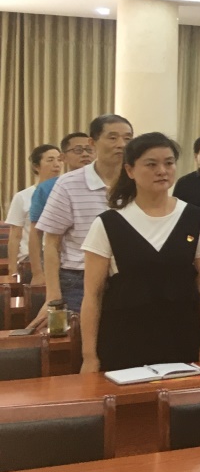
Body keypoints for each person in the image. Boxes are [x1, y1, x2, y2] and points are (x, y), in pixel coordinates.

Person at [79, 133, 200, 373]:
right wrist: (89, 356)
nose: (162, 171)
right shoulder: (108, 223)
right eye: (151, 164)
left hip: (183, 337)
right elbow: (93, 294)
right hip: (123, 340)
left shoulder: (196, 217)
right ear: (130, 170)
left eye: (169, 163)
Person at [31, 114, 133, 326]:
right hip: (78, 280)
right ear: (93, 142)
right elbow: (51, 243)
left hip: (127, 278)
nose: (121, 144)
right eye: (113, 137)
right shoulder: (68, 184)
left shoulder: (136, 181)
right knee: (80, 339)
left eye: (127, 138)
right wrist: (53, 295)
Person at [27, 131, 95, 283]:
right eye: (78, 150)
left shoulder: (111, 184)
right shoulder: (48, 188)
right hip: (70, 270)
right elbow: (35, 233)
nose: (85, 154)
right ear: (63, 157)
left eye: (89, 150)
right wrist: (37, 272)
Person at [5, 144, 59, 283]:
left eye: (59, 159)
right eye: (50, 160)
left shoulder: (65, 192)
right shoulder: (22, 196)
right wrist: (12, 270)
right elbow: (15, 236)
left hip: (60, 255)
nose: (56, 164)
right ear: (36, 166)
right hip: (31, 258)